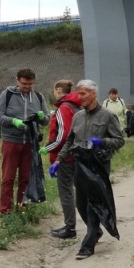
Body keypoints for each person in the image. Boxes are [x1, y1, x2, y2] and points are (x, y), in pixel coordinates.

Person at [52, 79, 125, 259]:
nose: (79, 97)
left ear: (93, 94)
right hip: (80, 165)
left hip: (98, 166)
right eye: (78, 94)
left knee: (94, 204)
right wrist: (58, 161)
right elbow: (70, 141)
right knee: (81, 204)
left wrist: (102, 142)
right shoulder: (77, 116)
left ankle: (88, 245)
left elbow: (119, 140)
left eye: (83, 93)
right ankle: (96, 232)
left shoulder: (107, 116)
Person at [0, 68, 50, 215]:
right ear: (17, 80)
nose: (27, 87)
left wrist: (41, 117)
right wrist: (13, 121)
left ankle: (22, 208)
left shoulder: (38, 97)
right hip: (11, 142)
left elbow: (46, 120)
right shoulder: (7, 95)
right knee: (8, 177)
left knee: (26, 178)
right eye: (24, 83)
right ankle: (5, 210)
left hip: (30, 143)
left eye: (30, 84)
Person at [42, 80, 82, 239]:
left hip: (65, 157)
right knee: (74, 191)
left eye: (54, 90)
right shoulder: (76, 106)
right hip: (77, 155)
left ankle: (70, 228)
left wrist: (48, 148)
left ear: (58, 89)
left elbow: (63, 135)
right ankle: (71, 225)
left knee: (66, 192)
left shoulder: (63, 108)